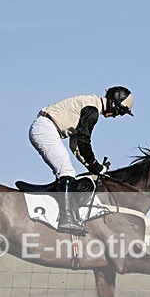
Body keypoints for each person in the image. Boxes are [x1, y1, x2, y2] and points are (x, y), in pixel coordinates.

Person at [29, 86, 134, 234]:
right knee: (66, 171)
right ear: (113, 103)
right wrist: (96, 167)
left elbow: (76, 145)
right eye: (118, 111)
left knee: (67, 171)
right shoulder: (92, 110)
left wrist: (94, 167)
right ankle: (66, 219)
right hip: (46, 129)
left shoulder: (89, 106)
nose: (116, 116)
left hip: (46, 128)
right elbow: (84, 142)